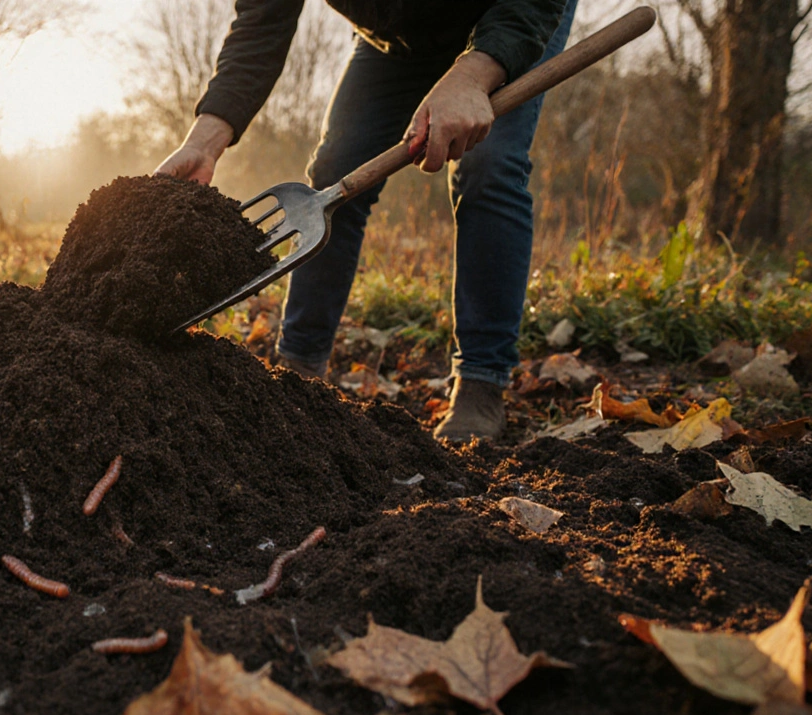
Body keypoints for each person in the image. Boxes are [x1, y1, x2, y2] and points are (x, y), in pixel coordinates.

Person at [155, 0, 577, 441]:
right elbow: (263, 21)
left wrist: (474, 74)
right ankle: (299, 368)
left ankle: (481, 380)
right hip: (396, 34)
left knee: (489, 165)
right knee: (337, 168)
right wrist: (205, 140)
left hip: (508, 12)